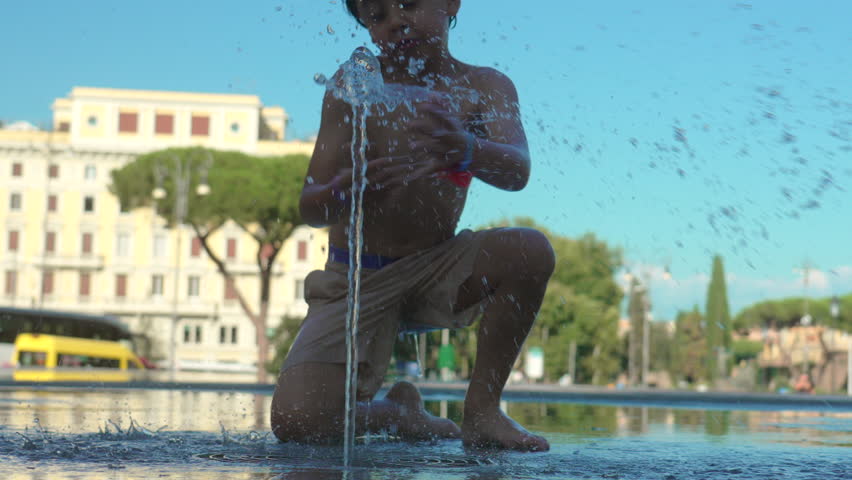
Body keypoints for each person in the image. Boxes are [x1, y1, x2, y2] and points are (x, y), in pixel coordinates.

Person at [271, 0, 554, 452]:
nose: (396, 22)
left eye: (408, 4)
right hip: (355, 278)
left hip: (436, 269)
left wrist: (467, 149)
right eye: (377, 16)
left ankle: (482, 412)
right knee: (297, 421)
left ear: (450, 3)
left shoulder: (483, 85)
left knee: (530, 250)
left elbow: (517, 170)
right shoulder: (354, 85)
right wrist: (344, 192)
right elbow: (310, 207)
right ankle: (393, 411)